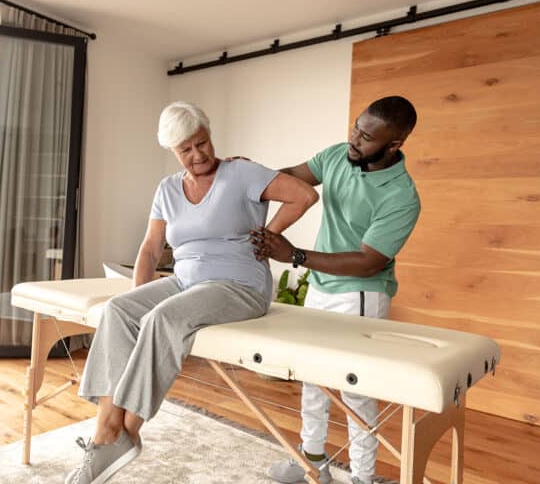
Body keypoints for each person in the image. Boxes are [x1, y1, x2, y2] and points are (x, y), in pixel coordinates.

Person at [66, 101, 319, 484]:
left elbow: (304, 195)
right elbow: (151, 249)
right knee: (119, 310)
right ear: (172, 151)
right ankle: (106, 432)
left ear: (209, 135)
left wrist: (267, 237)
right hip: (186, 281)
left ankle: (129, 431)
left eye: (202, 143)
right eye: (186, 150)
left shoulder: (241, 172)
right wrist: (138, 297)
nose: (198, 154)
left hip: (239, 284)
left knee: (162, 318)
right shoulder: (167, 189)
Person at [253, 96, 421, 484]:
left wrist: (293, 254)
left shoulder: (401, 196)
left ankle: (363, 477)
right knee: (313, 378)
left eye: (366, 137)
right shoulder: (336, 156)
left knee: (354, 390)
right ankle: (312, 461)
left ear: (393, 145)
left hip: (361, 294)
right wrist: (242, 176)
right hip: (321, 286)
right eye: (355, 128)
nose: (354, 140)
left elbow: (368, 262)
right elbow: (289, 177)